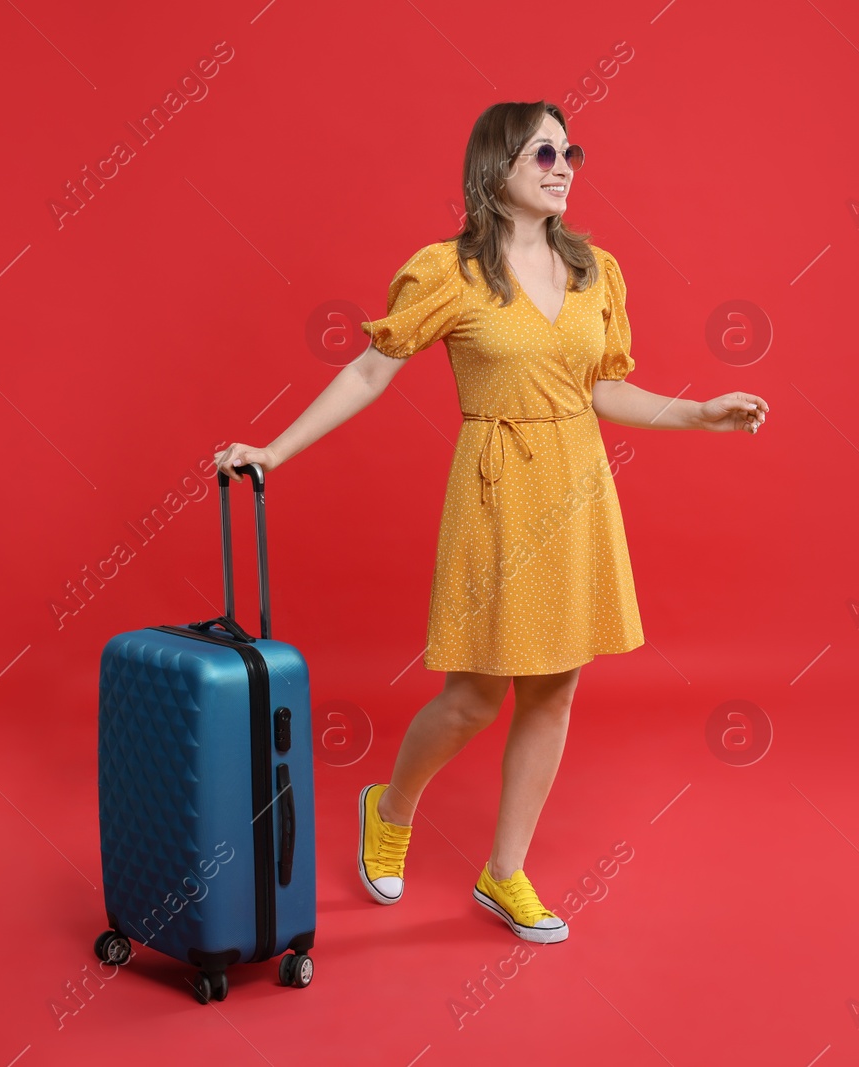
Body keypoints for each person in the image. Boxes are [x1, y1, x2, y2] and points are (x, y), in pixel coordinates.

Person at [214, 100, 768, 943]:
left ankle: (504, 871)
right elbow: (370, 372)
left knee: (557, 686)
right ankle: (389, 807)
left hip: (577, 486)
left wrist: (701, 414)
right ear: (494, 169)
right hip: (498, 490)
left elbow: (602, 389)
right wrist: (275, 451)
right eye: (542, 151)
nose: (564, 163)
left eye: (570, 149)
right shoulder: (451, 272)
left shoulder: (595, 271)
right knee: (475, 695)